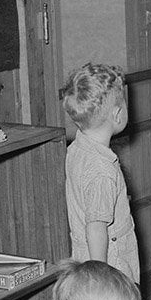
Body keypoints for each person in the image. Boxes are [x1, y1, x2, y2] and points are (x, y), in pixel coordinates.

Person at [60, 63, 140, 283]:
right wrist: (101, 277)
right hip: (109, 265)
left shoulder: (77, 148)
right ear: (117, 114)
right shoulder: (102, 171)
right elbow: (96, 228)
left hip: (84, 257)